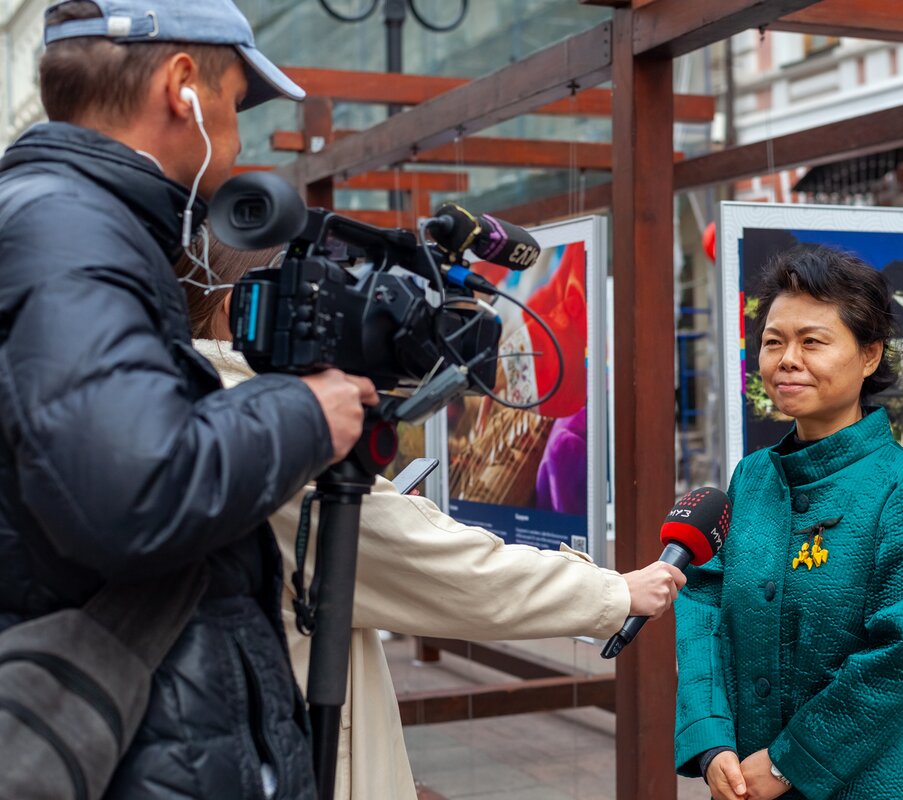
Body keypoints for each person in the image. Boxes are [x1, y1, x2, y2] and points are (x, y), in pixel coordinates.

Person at [0, 1, 378, 797]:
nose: (238, 141)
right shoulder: (70, 232)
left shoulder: (77, 224)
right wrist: (306, 412)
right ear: (182, 88)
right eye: (236, 104)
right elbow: (130, 489)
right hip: (129, 746)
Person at [175, 236, 688, 800]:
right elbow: (444, 569)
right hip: (288, 747)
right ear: (240, 310)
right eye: (314, 306)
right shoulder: (265, 430)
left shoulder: (181, 404)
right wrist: (614, 594)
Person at [674, 245, 903, 800]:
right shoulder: (753, 476)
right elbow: (703, 602)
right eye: (774, 341)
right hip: (742, 776)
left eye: (813, 342)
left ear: (870, 356)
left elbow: (902, 656)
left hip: (878, 780)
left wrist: (786, 764)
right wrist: (712, 742)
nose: (787, 359)